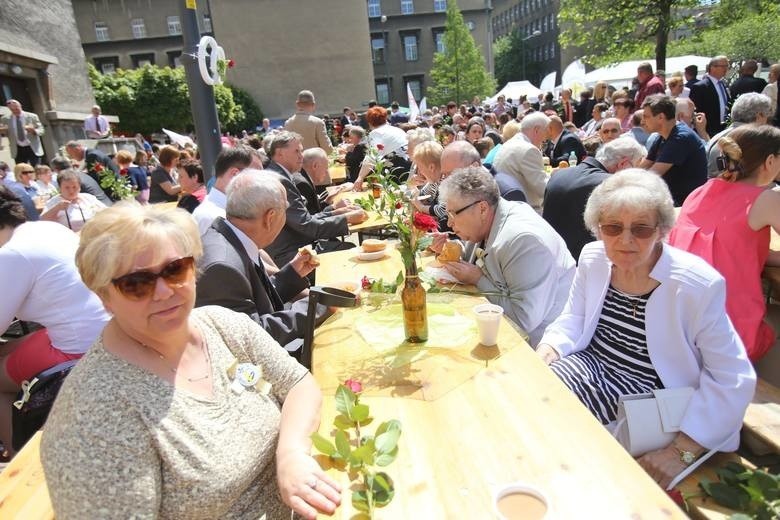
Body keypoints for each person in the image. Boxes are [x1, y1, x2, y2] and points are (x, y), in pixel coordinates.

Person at [40, 203, 341, 518]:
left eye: (174, 270)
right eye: (136, 283)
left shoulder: (220, 326)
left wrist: (292, 454)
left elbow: (296, 383)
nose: (163, 291)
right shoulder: (93, 417)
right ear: (104, 295)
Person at [537, 169, 755, 489]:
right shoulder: (593, 256)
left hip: (647, 395)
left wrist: (681, 452)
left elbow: (732, 377)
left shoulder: (696, 284)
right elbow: (573, 318)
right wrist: (549, 349)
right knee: (527, 394)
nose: (625, 240)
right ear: (597, 228)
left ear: (662, 230)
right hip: (587, 367)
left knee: (559, 439)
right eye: (612, 227)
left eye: (640, 229)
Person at [0, 185, 108, 455]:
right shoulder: (47, 228)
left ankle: (19, 463)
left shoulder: (11, 254)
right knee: (7, 351)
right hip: (104, 330)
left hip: (78, 346)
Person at [669, 125, 780, 361]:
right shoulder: (767, 198)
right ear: (770, 161)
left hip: (680, 328)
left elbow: (730, 246)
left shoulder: (699, 192)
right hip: (730, 336)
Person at [438, 167, 575, 345]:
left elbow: (522, 320)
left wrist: (477, 279)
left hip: (536, 348)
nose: (449, 223)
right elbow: (482, 254)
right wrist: (454, 247)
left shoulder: (524, 240)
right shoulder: (489, 220)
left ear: (482, 209)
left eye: (452, 214)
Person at [197, 171, 326, 350]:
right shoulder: (222, 267)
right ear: (270, 217)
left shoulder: (234, 237)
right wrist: (317, 306)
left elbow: (256, 300)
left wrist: (292, 274)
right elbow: (253, 336)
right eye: (285, 211)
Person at [266, 131, 365, 266]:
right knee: (351, 252)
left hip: (294, 248)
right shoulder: (280, 180)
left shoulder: (278, 175)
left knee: (349, 248)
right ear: (279, 152)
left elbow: (305, 219)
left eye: (301, 151)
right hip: (290, 255)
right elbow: (307, 226)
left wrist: (337, 213)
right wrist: (347, 219)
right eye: (296, 151)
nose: (301, 157)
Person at [543, 137, 646, 261]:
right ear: (623, 164)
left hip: (549, 256)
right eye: (636, 168)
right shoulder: (610, 185)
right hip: (586, 263)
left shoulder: (559, 174)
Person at [640, 94, 707, 206]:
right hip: (673, 201)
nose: (642, 121)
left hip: (686, 205)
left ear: (661, 117)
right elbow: (643, 166)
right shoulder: (662, 137)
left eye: (646, 116)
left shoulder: (680, 138)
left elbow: (652, 175)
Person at [493, 111, 550, 212]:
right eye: (545, 132)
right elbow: (544, 189)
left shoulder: (510, 143)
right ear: (536, 130)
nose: (546, 138)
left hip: (507, 206)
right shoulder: (529, 150)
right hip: (525, 210)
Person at [705, 93, 774, 176]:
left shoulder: (717, 137)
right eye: (769, 119)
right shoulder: (754, 140)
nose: (769, 125)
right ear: (759, 116)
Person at [192, 146, 255, 235]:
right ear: (235, 174)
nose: (259, 182)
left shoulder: (218, 212)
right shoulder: (211, 217)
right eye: (255, 175)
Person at [353, 106, 410, 191]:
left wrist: (360, 178)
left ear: (369, 122)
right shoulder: (397, 130)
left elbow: (371, 158)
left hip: (396, 171)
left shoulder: (375, 133)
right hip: (410, 166)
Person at [40, 169, 106, 232]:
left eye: (74, 187)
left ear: (79, 187)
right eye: (67, 187)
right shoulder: (53, 202)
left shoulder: (88, 198)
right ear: (60, 188)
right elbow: (42, 222)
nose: (71, 191)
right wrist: (57, 208)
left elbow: (106, 212)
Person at [689, 56, 731, 137]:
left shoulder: (722, 84)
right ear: (712, 68)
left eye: (727, 66)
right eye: (723, 66)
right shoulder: (700, 87)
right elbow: (695, 111)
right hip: (708, 131)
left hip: (724, 129)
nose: (726, 69)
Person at [283, 90, 333, 154]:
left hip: (294, 162)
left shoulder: (288, 123)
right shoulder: (318, 122)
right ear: (313, 104)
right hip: (314, 162)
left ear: (297, 104)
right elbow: (327, 149)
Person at [0, 99, 44, 166]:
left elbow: (41, 130)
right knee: (21, 170)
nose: (15, 111)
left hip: (32, 147)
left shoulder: (32, 116)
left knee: (36, 167)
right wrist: (3, 132)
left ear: (20, 106)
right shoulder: (5, 119)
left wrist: (34, 131)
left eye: (17, 108)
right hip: (17, 149)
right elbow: (4, 132)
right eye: (12, 109)